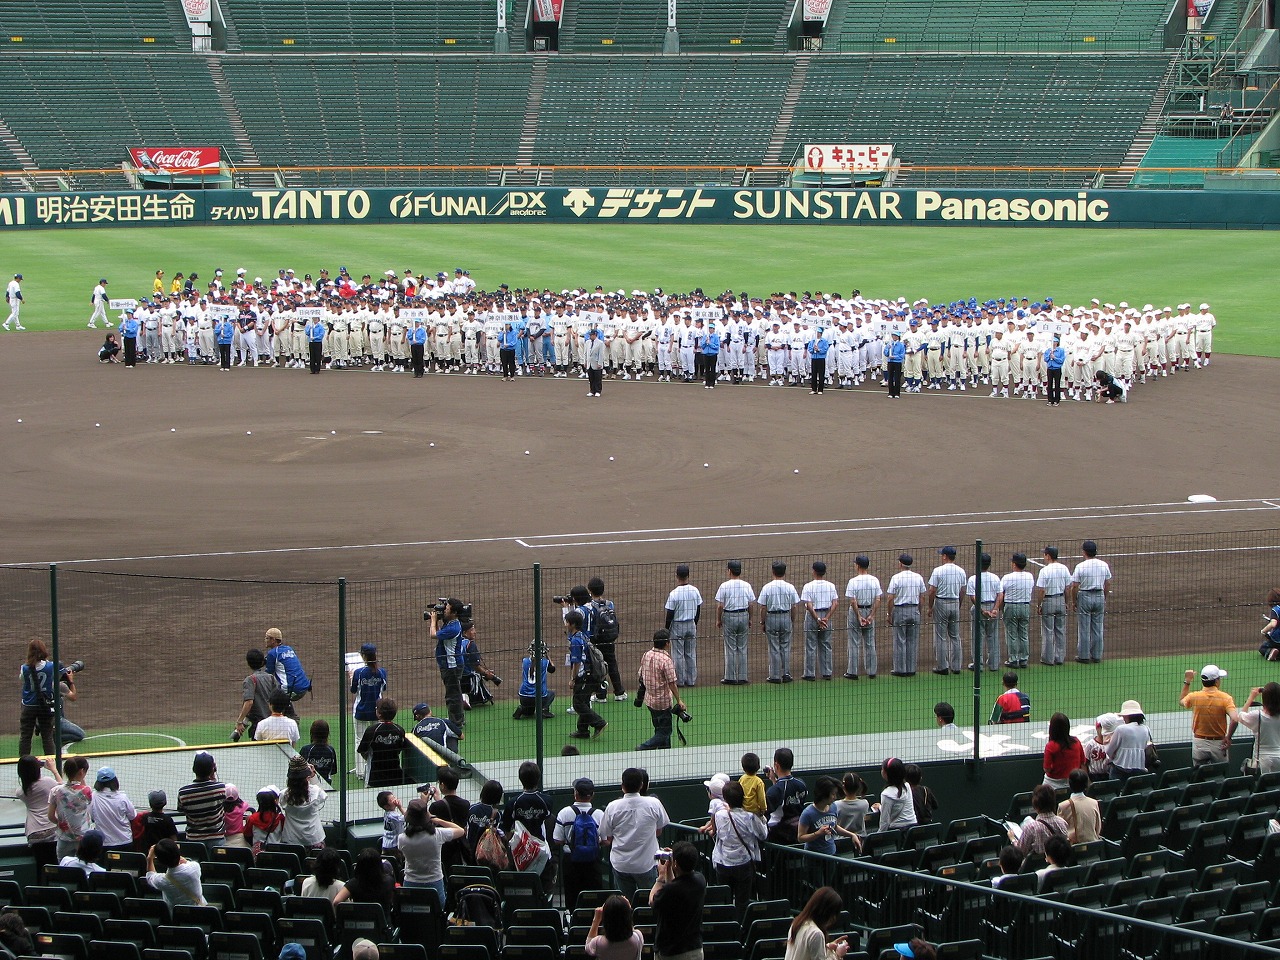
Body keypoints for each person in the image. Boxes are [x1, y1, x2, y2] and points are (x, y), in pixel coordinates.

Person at [599, 766, 669, 902]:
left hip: (622, 864)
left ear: (622, 786)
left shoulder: (612, 806)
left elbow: (607, 836)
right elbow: (659, 831)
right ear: (642, 785)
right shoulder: (654, 804)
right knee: (651, 902)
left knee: (625, 904)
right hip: (646, 864)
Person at [701, 780, 764, 924]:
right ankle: (740, 933)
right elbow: (763, 834)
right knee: (742, 903)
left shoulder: (719, 815)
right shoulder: (750, 817)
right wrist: (762, 817)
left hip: (723, 864)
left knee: (725, 901)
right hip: (744, 865)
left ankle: (726, 930)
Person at [397, 796, 465, 907]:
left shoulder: (402, 838)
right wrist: (438, 820)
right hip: (434, 882)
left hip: (410, 882)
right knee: (437, 915)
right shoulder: (437, 835)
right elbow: (461, 830)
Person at [554, 777, 605, 913]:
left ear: (575, 793)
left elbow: (557, 839)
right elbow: (606, 840)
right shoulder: (599, 814)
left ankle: (574, 928)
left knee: (572, 900)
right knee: (594, 900)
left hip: (571, 861)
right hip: (593, 862)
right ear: (592, 795)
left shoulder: (564, 813)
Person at [650, 841, 706, 960]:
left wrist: (660, 877)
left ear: (676, 863)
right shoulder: (700, 880)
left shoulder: (670, 890)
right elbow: (675, 885)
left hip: (671, 952)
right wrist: (669, 868)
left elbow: (652, 901)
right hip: (694, 949)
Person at [1180, 664, 1238, 767]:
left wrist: (1187, 681)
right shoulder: (1226, 698)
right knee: (1220, 775)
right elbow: (1235, 719)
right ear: (1216, 681)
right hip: (1219, 745)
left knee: (1199, 777)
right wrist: (1228, 738)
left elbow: (1181, 701)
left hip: (1199, 743)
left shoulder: (1194, 696)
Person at [637, 630, 683, 751]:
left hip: (650, 700)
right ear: (667, 643)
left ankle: (665, 752)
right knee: (665, 732)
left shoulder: (646, 655)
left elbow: (640, 675)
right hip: (662, 702)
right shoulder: (666, 660)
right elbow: (672, 683)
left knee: (659, 729)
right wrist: (679, 701)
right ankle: (643, 747)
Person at [566, 609, 608, 740]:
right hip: (590, 674)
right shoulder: (581, 635)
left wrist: (573, 679)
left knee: (578, 703)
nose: (565, 624)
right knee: (583, 701)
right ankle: (583, 730)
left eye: (567, 622)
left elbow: (577, 662)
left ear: (572, 624)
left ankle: (599, 723)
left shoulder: (576, 641)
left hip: (584, 675)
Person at [757, 560, 800, 683]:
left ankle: (775, 676)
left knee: (774, 647)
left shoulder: (767, 587)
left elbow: (763, 607)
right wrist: (791, 620)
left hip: (772, 617)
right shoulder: (790, 587)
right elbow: (794, 606)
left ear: (773, 571)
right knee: (785, 646)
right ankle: (786, 674)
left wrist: (763, 622)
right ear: (784, 572)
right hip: (786, 616)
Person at [1070, 540, 1112, 663]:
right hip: (1099, 595)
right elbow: (1108, 583)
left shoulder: (1080, 566)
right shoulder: (1103, 564)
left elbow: (1075, 586)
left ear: (1084, 552)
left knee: (1084, 627)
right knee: (1098, 628)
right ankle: (1097, 655)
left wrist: (1074, 601)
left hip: (1085, 596)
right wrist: (1103, 597)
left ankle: (1083, 656)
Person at [429, 599, 467, 735]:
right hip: (450, 664)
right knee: (454, 693)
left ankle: (456, 722)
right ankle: (458, 719)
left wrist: (433, 620)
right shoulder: (450, 623)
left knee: (452, 695)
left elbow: (433, 635)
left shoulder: (453, 627)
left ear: (454, 612)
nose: (444, 609)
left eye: (447, 608)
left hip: (451, 665)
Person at [926, 547, 965, 675]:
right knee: (955, 636)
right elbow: (962, 590)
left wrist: (930, 606)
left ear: (945, 556)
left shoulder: (938, 571)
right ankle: (956, 666)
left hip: (941, 603)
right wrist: (958, 604)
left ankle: (942, 666)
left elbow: (932, 590)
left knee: (941, 636)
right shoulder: (961, 571)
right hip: (955, 602)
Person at [715, 560, 755, 685]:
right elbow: (751, 604)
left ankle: (730, 677)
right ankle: (743, 677)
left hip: (729, 616)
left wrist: (719, 619)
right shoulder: (746, 585)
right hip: (743, 615)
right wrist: (749, 618)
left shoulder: (724, 586)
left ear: (729, 571)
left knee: (730, 648)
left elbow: (720, 606)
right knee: (742, 647)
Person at [351, 643, 387, 779]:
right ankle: (373, 768)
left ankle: (360, 772)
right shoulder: (382, 672)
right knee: (375, 740)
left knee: (359, 740)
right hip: (377, 711)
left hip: (360, 711)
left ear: (363, 655)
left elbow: (353, 690)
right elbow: (383, 689)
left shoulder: (358, 672)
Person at [17, 755, 61, 869]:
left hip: (34, 833)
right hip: (52, 830)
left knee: (43, 867)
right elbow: (62, 788)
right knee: (57, 864)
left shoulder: (20, 792)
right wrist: (53, 770)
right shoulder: (47, 782)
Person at [886, 553, 926, 677]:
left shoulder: (896, 578)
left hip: (900, 610)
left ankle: (900, 669)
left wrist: (889, 613)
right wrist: (918, 610)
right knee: (912, 640)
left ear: (901, 564)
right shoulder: (918, 577)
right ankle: (911, 669)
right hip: (914, 609)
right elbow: (922, 597)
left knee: (900, 640)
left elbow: (890, 598)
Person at [785, 886, 850, 960]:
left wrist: (827, 947)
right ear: (825, 911)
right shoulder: (816, 933)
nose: (834, 918)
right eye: (833, 913)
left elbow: (805, 953)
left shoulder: (797, 924)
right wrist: (837, 955)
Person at [844, 555, 882, 680]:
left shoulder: (853, 581)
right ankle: (871, 671)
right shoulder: (874, 580)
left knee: (854, 642)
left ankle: (852, 671)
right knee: (870, 642)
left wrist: (859, 616)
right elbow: (878, 599)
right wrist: (872, 615)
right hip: (869, 609)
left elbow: (853, 601)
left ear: (858, 566)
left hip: (857, 611)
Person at [178, 752, 227, 848]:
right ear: (213, 769)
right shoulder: (221, 788)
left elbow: (181, 809)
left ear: (194, 769)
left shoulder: (183, 792)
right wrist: (213, 776)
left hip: (194, 840)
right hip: (217, 839)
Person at [664, 565, 702, 687]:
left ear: (677, 576)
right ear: (688, 576)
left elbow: (670, 613)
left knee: (678, 654)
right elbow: (698, 609)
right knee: (690, 653)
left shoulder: (674, 593)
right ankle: (691, 680)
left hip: (678, 625)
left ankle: (679, 681)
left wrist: (666, 629)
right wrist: (694, 623)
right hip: (691, 624)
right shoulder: (695, 590)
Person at [1229, 682, 1280, 774]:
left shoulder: (1257, 715)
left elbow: (1240, 717)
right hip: (1278, 757)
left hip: (1262, 760)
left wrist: (1251, 697)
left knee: (1262, 785)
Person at [800, 561, 839, 681]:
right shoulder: (831, 585)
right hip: (826, 615)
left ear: (814, 571)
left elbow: (809, 604)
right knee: (826, 644)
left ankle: (810, 673)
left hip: (813, 616)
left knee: (810, 645)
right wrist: (826, 618)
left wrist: (817, 618)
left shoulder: (808, 586)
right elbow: (835, 603)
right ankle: (827, 672)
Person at [963, 552, 1002, 672]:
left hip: (979, 607)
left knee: (977, 637)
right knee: (993, 636)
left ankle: (978, 664)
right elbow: (1000, 595)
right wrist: (995, 609)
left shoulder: (973, 578)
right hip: (992, 605)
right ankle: (994, 665)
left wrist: (982, 610)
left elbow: (973, 597)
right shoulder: (995, 577)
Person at [358, 697, 409, 788]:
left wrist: (369, 758)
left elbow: (362, 750)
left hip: (374, 778)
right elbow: (401, 748)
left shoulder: (372, 730)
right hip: (395, 776)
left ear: (379, 714)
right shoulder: (399, 730)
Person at [234, 647, 282, 742]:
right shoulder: (271, 678)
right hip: (274, 724)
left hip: (259, 726)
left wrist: (239, 721)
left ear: (249, 663)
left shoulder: (250, 680)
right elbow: (278, 698)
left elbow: (249, 702)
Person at [18, 639, 57, 757]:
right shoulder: (51, 666)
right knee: (47, 736)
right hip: (45, 706)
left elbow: (22, 679)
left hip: (28, 705)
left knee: (25, 736)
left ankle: (24, 763)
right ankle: (52, 764)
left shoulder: (25, 668)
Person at [995, 552, 1034, 668]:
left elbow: (1001, 593)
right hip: (1025, 606)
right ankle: (1023, 659)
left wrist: (1000, 608)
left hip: (1011, 606)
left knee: (1011, 633)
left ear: (1014, 564)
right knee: (1023, 633)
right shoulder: (1030, 576)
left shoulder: (1007, 577)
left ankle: (1013, 659)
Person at [1034, 546, 1070, 666]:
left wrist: (1039, 605)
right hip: (1060, 599)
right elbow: (1067, 588)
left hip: (1049, 600)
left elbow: (1041, 590)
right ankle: (1059, 658)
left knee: (1048, 631)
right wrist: (1066, 602)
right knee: (1060, 630)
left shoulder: (1045, 570)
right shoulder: (1064, 568)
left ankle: (1048, 658)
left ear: (1048, 556)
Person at [765, 747, 810, 843]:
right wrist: (774, 781)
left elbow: (766, 810)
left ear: (776, 765)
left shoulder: (775, 790)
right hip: (798, 832)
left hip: (779, 837)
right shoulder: (801, 784)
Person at [279, 760, 327, 849]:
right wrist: (313, 776)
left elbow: (283, 803)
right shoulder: (316, 791)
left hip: (291, 840)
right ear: (307, 777)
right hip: (314, 839)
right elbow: (323, 796)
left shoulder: (283, 794)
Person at [333, 847, 396, 914]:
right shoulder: (389, 881)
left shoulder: (353, 883)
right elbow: (393, 901)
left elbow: (336, 902)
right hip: (383, 923)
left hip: (359, 921)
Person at [146, 838, 205, 908]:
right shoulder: (195, 867)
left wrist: (149, 858)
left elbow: (150, 876)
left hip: (177, 916)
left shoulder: (162, 881)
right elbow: (186, 862)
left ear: (160, 861)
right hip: (200, 910)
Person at [90, 766, 136, 853]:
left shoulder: (93, 797)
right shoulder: (122, 797)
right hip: (125, 842)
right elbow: (132, 816)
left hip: (104, 844)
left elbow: (91, 817)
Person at [586, 894, 643, 960]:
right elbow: (629, 927)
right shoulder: (638, 937)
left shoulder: (597, 943)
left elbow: (588, 948)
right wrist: (628, 910)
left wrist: (596, 920)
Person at [264, 628, 312, 703]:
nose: (265, 640)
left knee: (270, 703)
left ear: (273, 640)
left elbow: (267, 675)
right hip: (304, 686)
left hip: (291, 689)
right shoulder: (288, 649)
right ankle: (291, 713)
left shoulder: (273, 653)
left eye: (267, 638)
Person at [1042, 712, 1086, 788]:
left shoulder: (1051, 746)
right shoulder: (1076, 742)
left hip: (1052, 784)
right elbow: (1082, 763)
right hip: (1073, 783)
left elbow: (1047, 769)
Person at [1057, 769, 1101, 843]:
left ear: (1069, 783)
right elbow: (1098, 827)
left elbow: (1060, 831)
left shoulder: (1062, 806)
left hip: (1072, 849)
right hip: (1092, 846)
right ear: (1086, 785)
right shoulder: (1094, 803)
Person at [873, 757, 916, 832]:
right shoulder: (907, 786)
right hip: (913, 829)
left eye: (882, 769)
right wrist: (881, 807)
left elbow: (884, 823)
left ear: (887, 773)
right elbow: (897, 807)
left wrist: (877, 838)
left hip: (897, 831)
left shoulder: (886, 794)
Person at [514, 643, 556, 718]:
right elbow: (553, 669)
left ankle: (522, 708)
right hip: (539, 697)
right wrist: (547, 656)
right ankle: (544, 709)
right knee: (551, 693)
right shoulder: (545, 662)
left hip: (524, 697)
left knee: (528, 713)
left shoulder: (524, 661)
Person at [243, 787, 284, 855]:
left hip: (259, 854)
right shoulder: (280, 818)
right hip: (276, 853)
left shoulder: (253, 818)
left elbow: (247, 834)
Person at [1082, 713, 1120, 780]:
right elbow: (1084, 764)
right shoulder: (1090, 744)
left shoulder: (1113, 743)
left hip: (1109, 775)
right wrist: (1087, 780)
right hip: (1094, 776)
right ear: (1097, 728)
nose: (1103, 730)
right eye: (1101, 727)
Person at [739, 752, 767, 817]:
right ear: (758, 767)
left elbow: (739, 793)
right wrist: (763, 809)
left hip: (743, 811)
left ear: (743, 768)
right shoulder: (758, 781)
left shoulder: (742, 779)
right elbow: (761, 798)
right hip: (755, 812)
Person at [1043, 334, 1066, 405]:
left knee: (1057, 384)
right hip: (1050, 368)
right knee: (1049, 384)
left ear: (1057, 342)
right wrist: (1050, 355)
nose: (1053, 343)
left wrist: (1054, 357)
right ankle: (1050, 400)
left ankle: (1057, 400)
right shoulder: (1048, 350)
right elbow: (1045, 359)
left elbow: (1061, 360)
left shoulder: (1061, 350)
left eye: (1054, 342)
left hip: (1057, 369)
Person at [583, 327, 606, 397]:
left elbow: (601, 354)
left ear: (595, 335)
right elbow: (585, 353)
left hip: (596, 363)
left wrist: (600, 363)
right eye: (590, 335)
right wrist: (585, 362)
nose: (591, 336)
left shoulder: (600, 343)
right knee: (591, 378)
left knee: (597, 378)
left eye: (592, 335)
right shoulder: (587, 342)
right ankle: (592, 390)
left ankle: (598, 390)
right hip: (590, 363)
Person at [884, 330, 906, 399]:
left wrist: (895, 357)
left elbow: (902, 355)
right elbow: (885, 353)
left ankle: (897, 393)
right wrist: (888, 349)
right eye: (893, 335)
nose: (894, 337)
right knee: (890, 377)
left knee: (897, 378)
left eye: (895, 336)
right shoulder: (889, 344)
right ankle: (890, 392)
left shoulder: (901, 345)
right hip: (890, 362)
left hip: (897, 362)